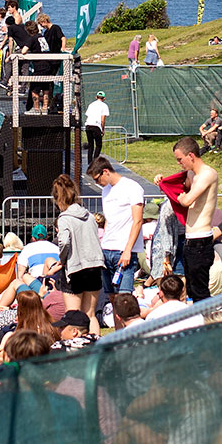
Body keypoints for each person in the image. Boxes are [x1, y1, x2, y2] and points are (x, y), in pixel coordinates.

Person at [162, 137, 219, 304]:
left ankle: (208, 325)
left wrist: (181, 197)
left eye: (180, 159)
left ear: (191, 156)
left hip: (201, 240)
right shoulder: (192, 174)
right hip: (190, 240)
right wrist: (162, 181)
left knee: (200, 291)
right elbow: (181, 185)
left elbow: (186, 200)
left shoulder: (207, 174)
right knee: (192, 290)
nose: (179, 163)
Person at [89, 156, 145, 311]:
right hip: (107, 249)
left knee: (124, 299)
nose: (96, 183)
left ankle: (128, 334)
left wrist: (128, 250)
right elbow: (109, 219)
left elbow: (138, 220)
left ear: (105, 172)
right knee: (113, 298)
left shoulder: (132, 187)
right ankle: (118, 333)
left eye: (97, 179)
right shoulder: (105, 191)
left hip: (123, 251)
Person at [51, 174, 101, 320]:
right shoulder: (90, 216)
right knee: (90, 315)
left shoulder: (64, 218)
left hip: (75, 268)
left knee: (73, 315)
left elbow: (64, 242)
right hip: (94, 266)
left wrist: (62, 258)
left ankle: (75, 342)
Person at [83, 90, 111, 163]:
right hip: (96, 126)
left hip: (88, 125)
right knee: (98, 145)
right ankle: (95, 161)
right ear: (104, 98)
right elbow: (102, 120)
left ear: (96, 97)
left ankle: (89, 162)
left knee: (90, 145)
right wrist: (102, 129)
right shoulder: (104, 106)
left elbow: (88, 115)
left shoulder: (91, 104)